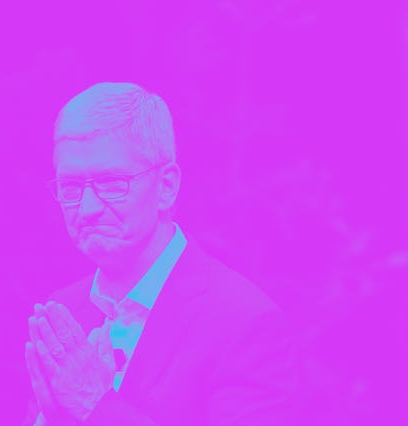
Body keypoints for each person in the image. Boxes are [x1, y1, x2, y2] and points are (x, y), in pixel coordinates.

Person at [24, 83, 300, 425]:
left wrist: (96, 408)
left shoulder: (243, 324)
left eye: (111, 182)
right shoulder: (64, 312)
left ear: (166, 187)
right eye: (71, 186)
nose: (88, 207)